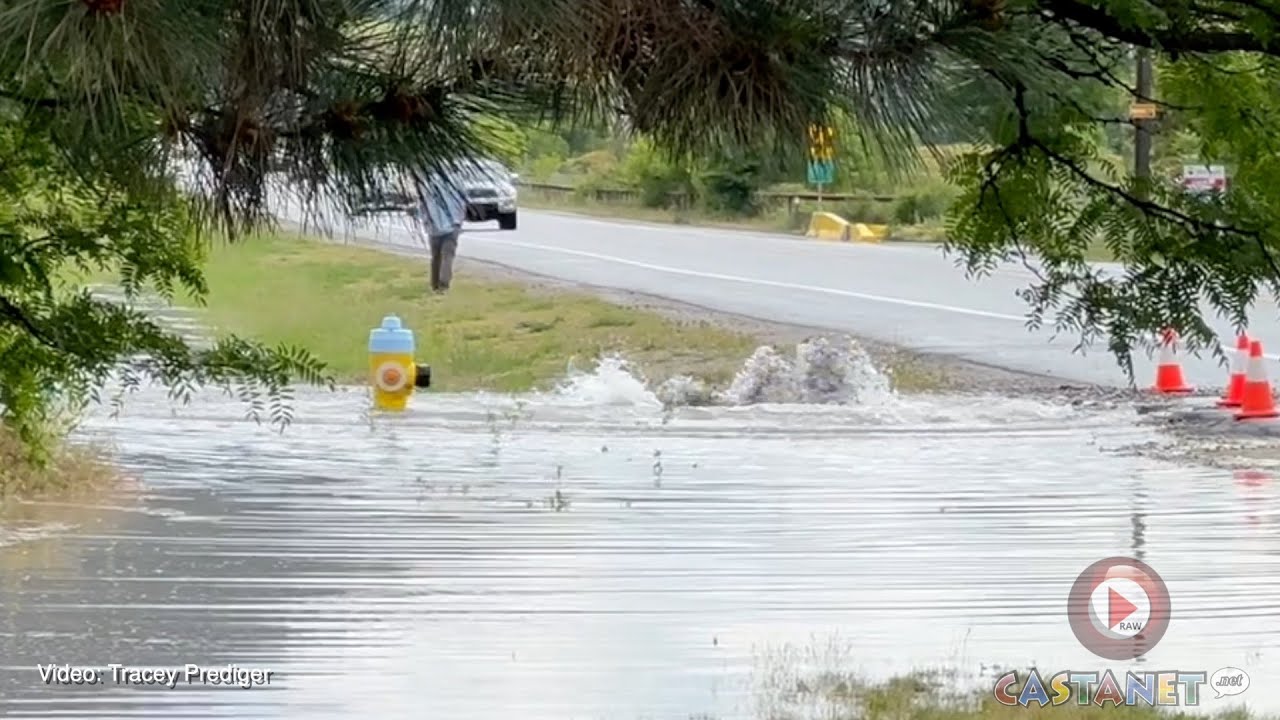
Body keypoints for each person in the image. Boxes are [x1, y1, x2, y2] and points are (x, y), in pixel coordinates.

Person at [415, 170, 469, 293]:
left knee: (435, 256)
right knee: (447, 256)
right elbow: (463, 201)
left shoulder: (427, 183)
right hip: (451, 224)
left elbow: (422, 205)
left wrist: (425, 220)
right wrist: (459, 220)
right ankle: (443, 285)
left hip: (434, 226)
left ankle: (434, 284)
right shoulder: (455, 180)